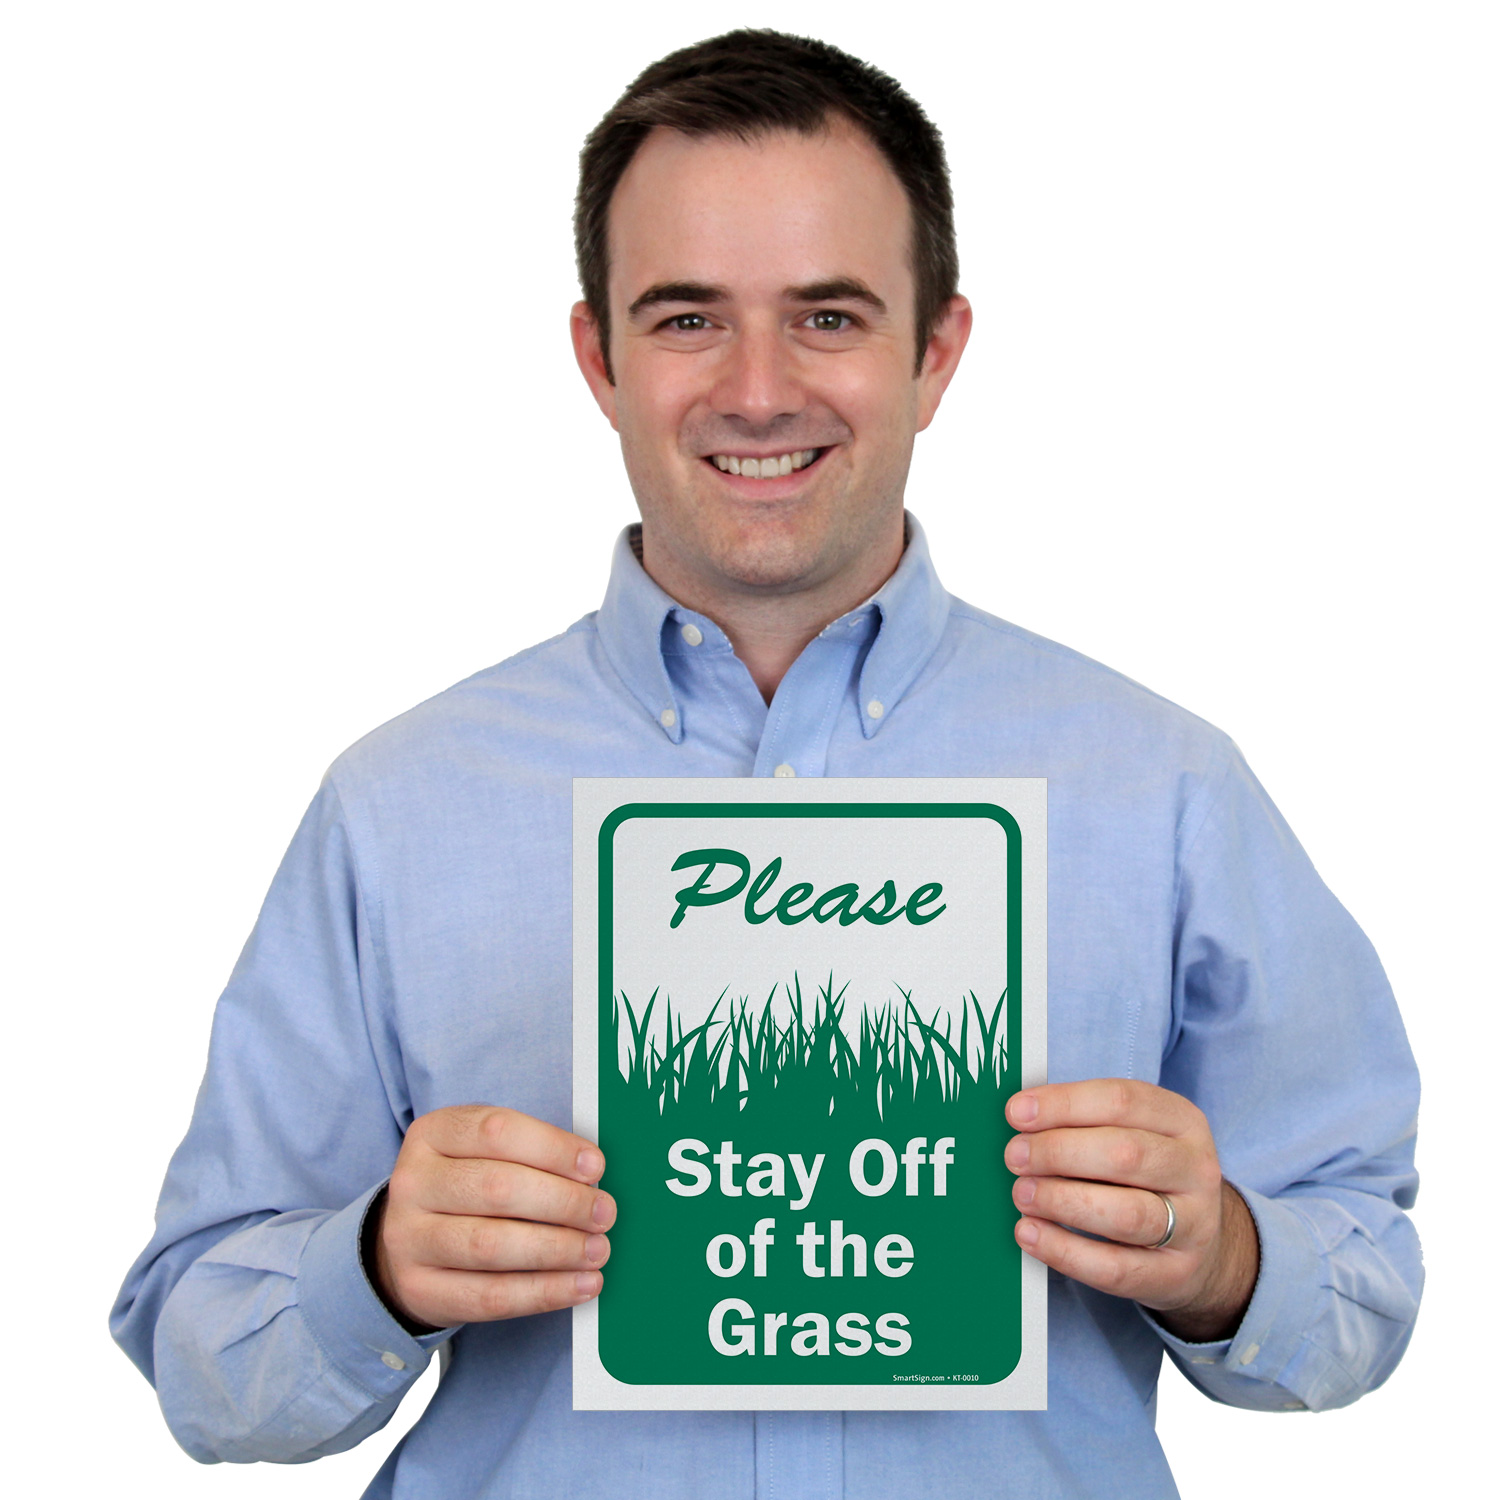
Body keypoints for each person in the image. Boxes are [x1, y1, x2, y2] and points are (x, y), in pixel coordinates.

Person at [111, 28, 1422, 1500]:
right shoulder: (397, 808)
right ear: (599, 359)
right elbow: (203, 1361)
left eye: (828, 316)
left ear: (935, 354)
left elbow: (1364, 1282)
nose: (755, 390)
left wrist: (1228, 1253)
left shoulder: (1164, 790)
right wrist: (373, 1266)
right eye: (686, 318)